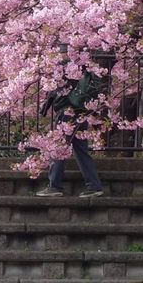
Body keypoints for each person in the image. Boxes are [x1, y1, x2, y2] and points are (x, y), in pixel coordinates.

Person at [36, 68, 106, 197]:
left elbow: (56, 89)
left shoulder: (65, 66)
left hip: (66, 111)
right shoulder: (83, 68)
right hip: (81, 111)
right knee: (80, 150)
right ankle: (94, 186)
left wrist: (46, 105)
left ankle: (54, 186)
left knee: (58, 147)